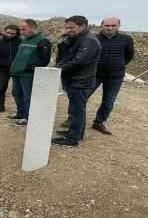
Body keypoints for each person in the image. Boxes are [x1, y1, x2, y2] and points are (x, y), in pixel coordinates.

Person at [52, 16, 101, 147]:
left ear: (83, 26)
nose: (68, 30)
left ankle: (73, 138)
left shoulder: (89, 41)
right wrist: (64, 40)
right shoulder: (75, 39)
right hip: (73, 79)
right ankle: (75, 133)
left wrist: (58, 69)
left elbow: (79, 61)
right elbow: (64, 55)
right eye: (66, 27)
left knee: (77, 109)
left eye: (71, 27)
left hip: (80, 80)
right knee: (76, 108)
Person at [89, 17, 135, 134]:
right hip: (94, 74)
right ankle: (73, 119)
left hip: (115, 76)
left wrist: (118, 65)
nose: (110, 28)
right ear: (101, 25)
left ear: (118, 26)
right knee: (82, 97)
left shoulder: (126, 39)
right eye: (107, 26)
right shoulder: (93, 38)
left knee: (108, 101)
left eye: (113, 26)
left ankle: (99, 122)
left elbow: (129, 56)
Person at [9, 19, 51, 126]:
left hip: (28, 75)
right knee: (17, 94)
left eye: (24, 29)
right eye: (20, 29)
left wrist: (27, 67)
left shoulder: (42, 41)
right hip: (17, 73)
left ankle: (28, 117)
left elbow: (44, 60)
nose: (21, 32)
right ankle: (20, 113)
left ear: (33, 28)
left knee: (28, 96)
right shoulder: (24, 40)